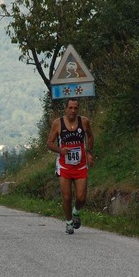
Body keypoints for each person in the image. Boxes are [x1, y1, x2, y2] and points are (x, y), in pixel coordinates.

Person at [46, 98, 94, 234]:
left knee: (81, 198)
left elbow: (90, 136)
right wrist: (60, 150)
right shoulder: (57, 123)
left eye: (75, 108)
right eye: (70, 108)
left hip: (80, 165)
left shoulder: (84, 122)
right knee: (66, 197)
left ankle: (76, 212)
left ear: (78, 109)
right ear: (65, 109)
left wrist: (89, 153)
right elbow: (49, 142)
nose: (73, 111)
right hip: (64, 166)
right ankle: (68, 223)